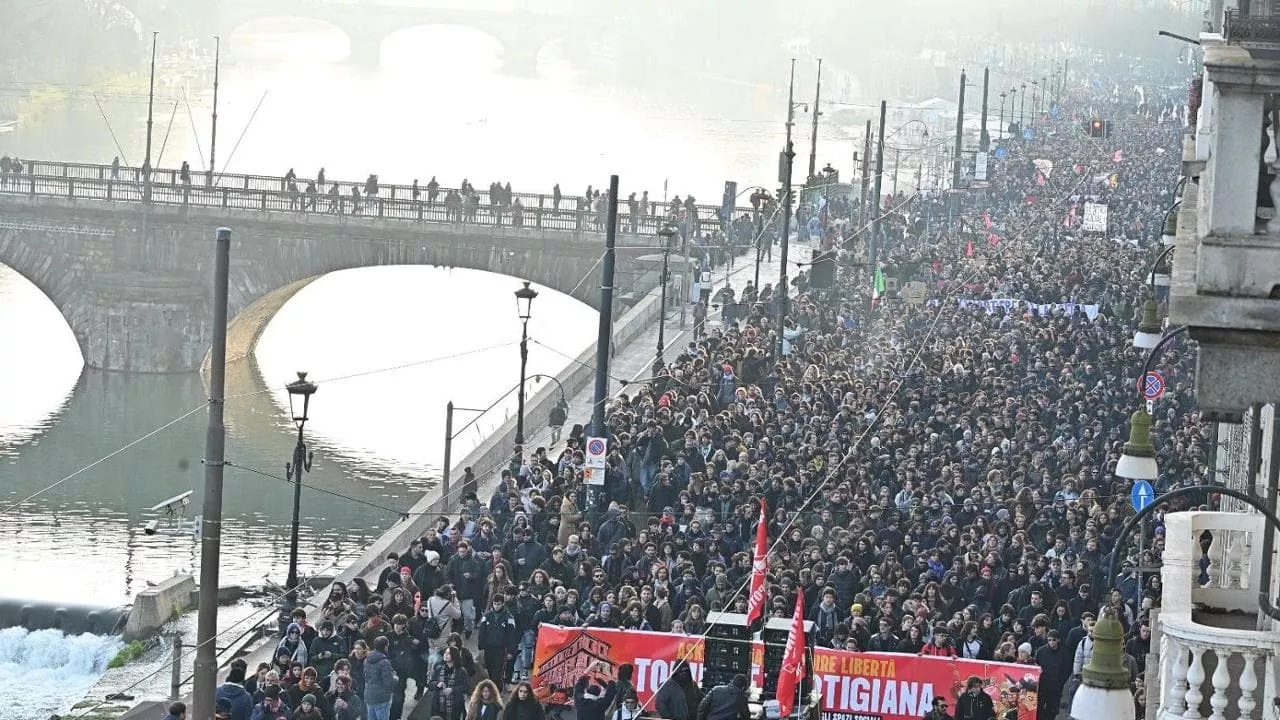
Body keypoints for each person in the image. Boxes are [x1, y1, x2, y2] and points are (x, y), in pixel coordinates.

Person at [364, 636, 397, 720]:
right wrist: (395, 678)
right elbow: (388, 682)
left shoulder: (367, 659)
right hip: (381, 697)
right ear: (385, 646)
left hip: (369, 695)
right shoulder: (384, 662)